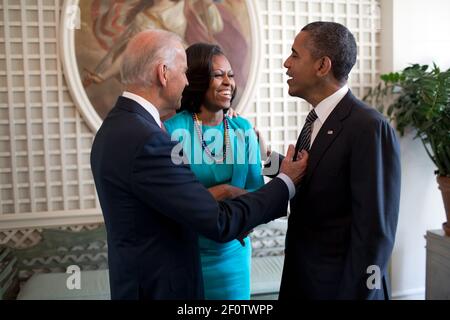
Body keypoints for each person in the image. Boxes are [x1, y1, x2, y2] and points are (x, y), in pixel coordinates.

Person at [90, 29, 309, 300]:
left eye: (231, 74)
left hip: (221, 258)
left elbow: (254, 182)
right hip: (172, 274)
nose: (185, 80)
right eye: (184, 72)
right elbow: (211, 218)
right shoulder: (154, 136)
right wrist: (278, 183)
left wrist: (270, 164)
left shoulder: (119, 126)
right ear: (163, 73)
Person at [267, 21, 401, 300]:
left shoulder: (369, 127)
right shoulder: (316, 120)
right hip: (303, 281)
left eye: (294, 55)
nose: (286, 64)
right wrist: (261, 158)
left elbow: (375, 232)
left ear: (322, 66)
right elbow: (313, 178)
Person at [164, 43, 261, 299]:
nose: (228, 82)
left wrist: (247, 219)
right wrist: (226, 191)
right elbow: (173, 201)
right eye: (218, 75)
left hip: (234, 253)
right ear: (197, 79)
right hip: (187, 254)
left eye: (231, 75)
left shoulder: (243, 128)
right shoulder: (172, 130)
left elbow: (256, 190)